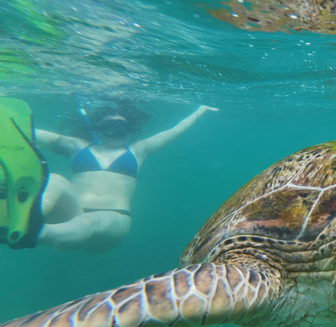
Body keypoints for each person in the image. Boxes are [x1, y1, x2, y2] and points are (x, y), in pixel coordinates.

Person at [4, 100, 217, 253]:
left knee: (89, 221)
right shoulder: (76, 145)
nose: (117, 131)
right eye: (110, 126)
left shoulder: (138, 150)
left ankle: (32, 235)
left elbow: (175, 130)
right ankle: (19, 220)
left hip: (113, 221)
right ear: (97, 128)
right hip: (70, 213)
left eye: (122, 127)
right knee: (56, 180)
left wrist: (200, 110)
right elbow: (24, 131)